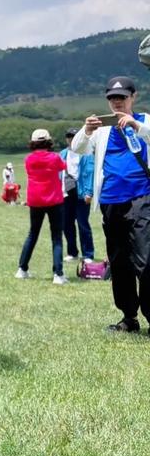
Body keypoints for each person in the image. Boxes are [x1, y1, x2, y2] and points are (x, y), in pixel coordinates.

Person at [72, 76, 150, 332]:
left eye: (122, 97)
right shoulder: (102, 129)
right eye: (112, 98)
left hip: (142, 197)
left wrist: (137, 126)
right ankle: (129, 317)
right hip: (111, 200)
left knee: (146, 260)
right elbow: (78, 148)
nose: (117, 102)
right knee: (119, 261)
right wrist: (87, 130)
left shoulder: (145, 120)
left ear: (133, 97)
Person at [15, 129, 69, 285]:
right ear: (48, 141)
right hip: (54, 200)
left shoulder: (29, 159)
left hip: (35, 200)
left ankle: (22, 269)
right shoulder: (54, 158)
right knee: (57, 237)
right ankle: (58, 274)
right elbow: (63, 166)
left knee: (32, 234)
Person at [59, 128, 94, 262]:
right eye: (68, 136)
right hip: (65, 193)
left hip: (80, 193)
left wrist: (88, 192)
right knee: (66, 224)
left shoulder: (86, 153)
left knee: (82, 224)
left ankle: (88, 254)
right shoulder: (62, 154)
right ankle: (72, 252)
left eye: (73, 136)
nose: (71, 138)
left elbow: (89, 173)